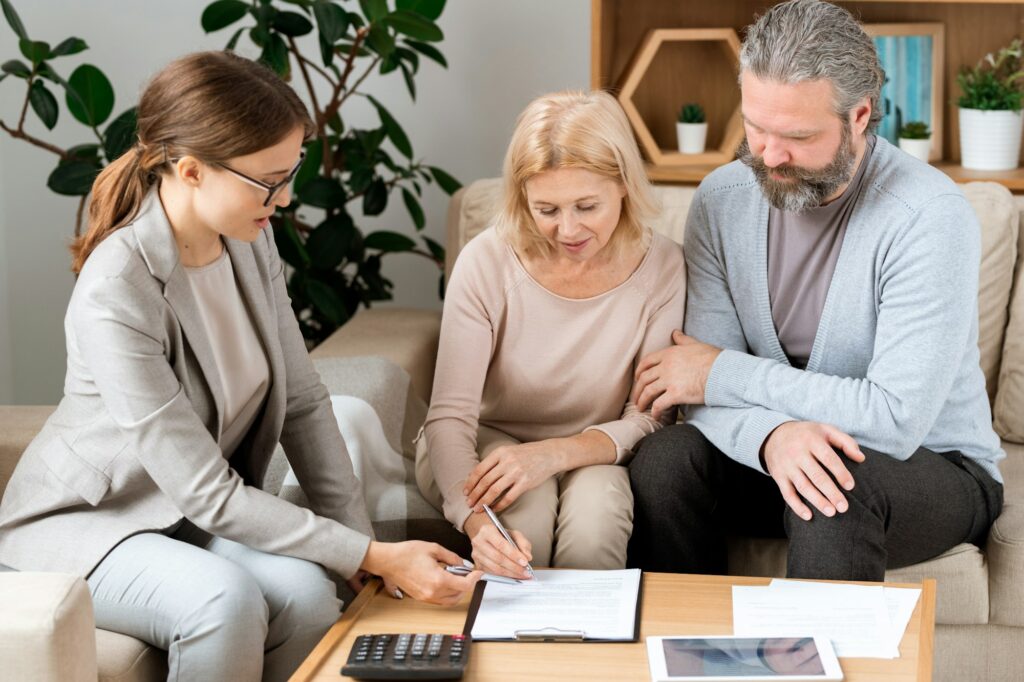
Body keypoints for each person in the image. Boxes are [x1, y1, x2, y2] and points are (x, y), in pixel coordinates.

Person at [0, 51, 479, 682]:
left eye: (291, 172)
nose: (284, 198)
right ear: (192, 170)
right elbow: (204, 488)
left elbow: (306, 404)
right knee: (221, 602)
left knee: (310, 596)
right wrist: (373, 553)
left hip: (189, 520)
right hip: (93, 524)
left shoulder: (249, 240)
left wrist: (362, 552)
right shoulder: (116, 288)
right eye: (268, 181)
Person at [626, 0, 1005, 581]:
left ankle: (810, 670)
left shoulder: (928, 215)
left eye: (797, 136)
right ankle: (686, 660)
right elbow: (695, 385)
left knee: (835, 489)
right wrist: (772, 435)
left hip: (932, 465)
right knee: (665, 461)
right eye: (756, 127)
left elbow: (893, 417)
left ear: (860, 116)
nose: (769, 155)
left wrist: (726, 374)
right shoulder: (721, 200)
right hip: (784, 454)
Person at [415, 90, 686, 578]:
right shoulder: (486, 262)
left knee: (598, 524)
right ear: (523, 198)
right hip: (483, 441)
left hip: (596, 448)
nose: (567, 230)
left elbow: (649, 417)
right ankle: (504, 653)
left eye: (587, 206)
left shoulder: (663, 267)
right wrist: (477, 524)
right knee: (524, 519)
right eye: (547, 209)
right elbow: (450, 418)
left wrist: (555, 454)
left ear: (624, 184)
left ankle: (590, 653)